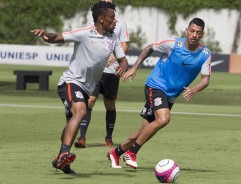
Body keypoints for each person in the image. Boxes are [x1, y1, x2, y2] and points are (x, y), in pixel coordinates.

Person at [30, 1, 128, 174]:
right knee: (81, 111)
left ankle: (61, 161)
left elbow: (123, 60)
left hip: (86, 88)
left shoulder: (113, 38)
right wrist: (46, 35)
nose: (116, 21)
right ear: (101, 19)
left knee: (71, 123)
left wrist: (123, 68)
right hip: (70, 82)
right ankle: (65, 152)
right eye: (112, 17)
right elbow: (57, 37)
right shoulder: (84, 33)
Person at [107, 18, 211, 169]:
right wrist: (135, 67)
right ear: (187, 30)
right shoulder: (173, 44)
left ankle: (116, 153)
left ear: (202, 34)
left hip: (171, 95)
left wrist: (194, 89)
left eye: (198, 33)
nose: (194, 35)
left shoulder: (205, 54)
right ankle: (132, 153)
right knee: (163, 119)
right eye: (192, 31)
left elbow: (205, 80)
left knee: (144, 131)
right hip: (155, 86)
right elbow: (149, 48)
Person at [74, 0, 130, 148]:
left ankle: (109, 137)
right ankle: (82, 137)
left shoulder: (120, 23)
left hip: (112, 72)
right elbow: (86, 39)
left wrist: (117, 56)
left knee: (110, 105)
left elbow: (124, 43)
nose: (107, 1)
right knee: (90, 101)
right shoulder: (91, 20)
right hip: (95, 71)